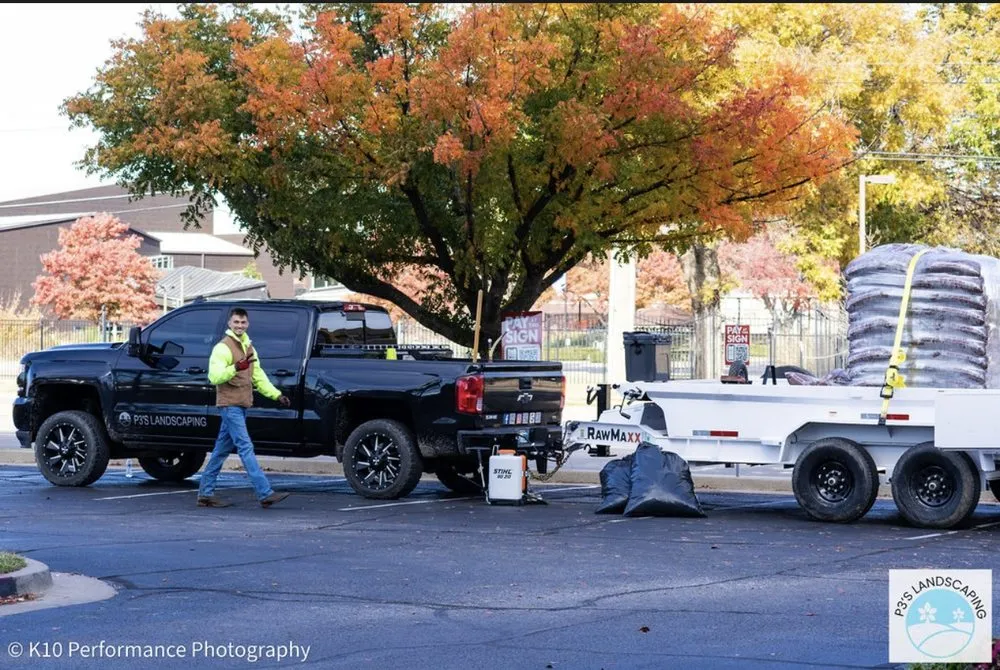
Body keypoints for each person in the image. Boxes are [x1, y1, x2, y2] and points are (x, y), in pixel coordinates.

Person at [197, 307, 292, 508]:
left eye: (243, 322)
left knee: (220, 451)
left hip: (240, 405)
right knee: (245, 447)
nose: (239, 326)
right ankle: (264, 492)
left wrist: (277, 395)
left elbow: (258, 376)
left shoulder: (249, 347)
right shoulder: (222, 348)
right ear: (229, 324)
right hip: (229, 405)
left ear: (247, 324)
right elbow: (214, 377)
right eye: (236, 322)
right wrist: (235, 368)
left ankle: (205, 493)